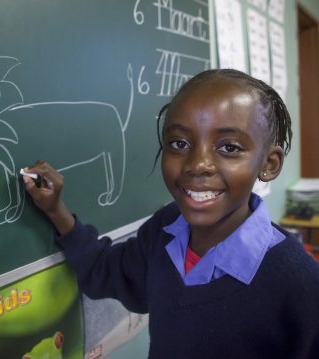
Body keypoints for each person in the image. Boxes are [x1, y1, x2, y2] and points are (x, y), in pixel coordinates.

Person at [21, 69, 319, 358]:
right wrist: (55, 210)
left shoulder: (299, 284)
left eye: (228, 147)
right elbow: (106, 271)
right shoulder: (164, 230)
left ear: (269, 164)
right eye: (180, 143)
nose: (197, 164)